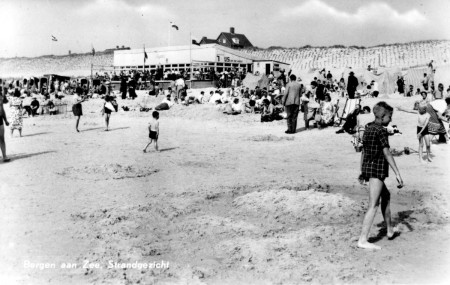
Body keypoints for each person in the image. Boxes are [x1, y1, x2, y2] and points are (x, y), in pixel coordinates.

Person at [357, 101, 403, 250]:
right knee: (373, 204)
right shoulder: (381, 131)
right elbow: (387, 153)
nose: (391, 119)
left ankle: (389, 230)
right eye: (390, 116)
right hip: (377, 170)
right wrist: (397, 173)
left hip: (368, 168)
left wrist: (362, 171)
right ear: (383, 116)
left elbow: (363, 151)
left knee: (386, 196)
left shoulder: (369, 128)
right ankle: (363, 239)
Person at [0, 91, 11, 162]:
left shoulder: (0, 97)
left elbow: (2, 109)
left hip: (0, 119)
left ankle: (4, 156)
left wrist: (5, 120)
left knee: (1, 138)